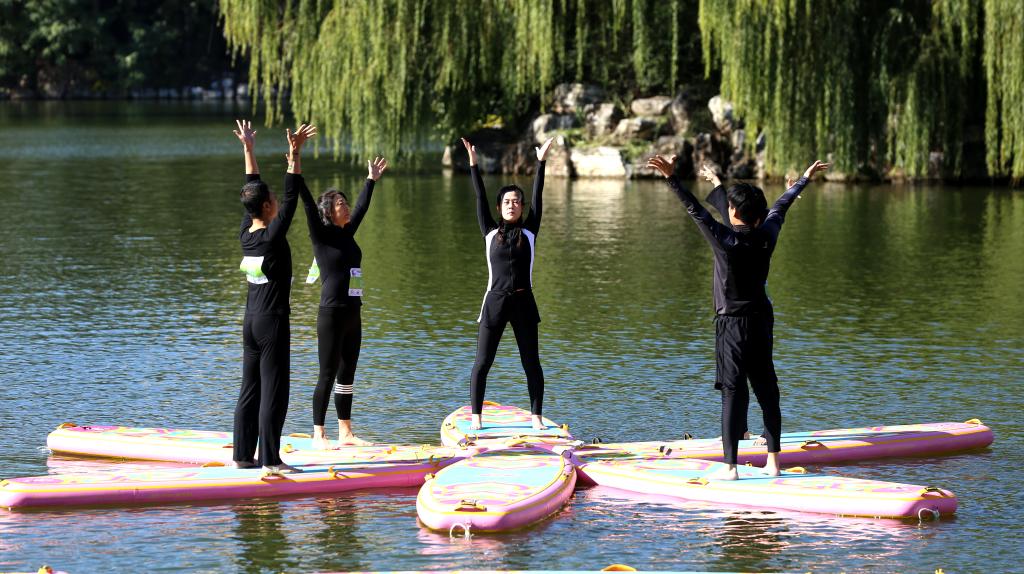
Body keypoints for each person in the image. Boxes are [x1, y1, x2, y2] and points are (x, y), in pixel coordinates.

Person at [646, 154, 829, 480]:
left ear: (733, 213)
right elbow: (781, 207)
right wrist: (803, 180)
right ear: (759, 216)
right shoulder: (767, 234)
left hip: (731, 324)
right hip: (761, 321)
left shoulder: (724, 240)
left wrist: (672, 179)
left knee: (732, 392)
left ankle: (731, 467)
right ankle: (773, 463)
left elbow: (696, 211)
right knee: (767, 390)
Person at [231, 119, 317, 474]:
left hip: (251, 323)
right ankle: (271, 461)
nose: (277, 203)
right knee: (274, 392)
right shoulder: (271, 237)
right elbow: (292, 196)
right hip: (272, 324)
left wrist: (248, 149)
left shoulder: (247, 233)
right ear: (268, 206)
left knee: (250, 389)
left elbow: (252, 187)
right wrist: (294, 156)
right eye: (273, 201)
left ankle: (242, 456)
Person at [462, 136, 554, 431]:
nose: (511, 205)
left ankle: (536, 418)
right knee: (482, 362)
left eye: (516, 201)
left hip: (524, 301)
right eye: (506, 202)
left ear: (522, 207)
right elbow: (479, 196)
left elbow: (539, 196)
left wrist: (541, 163)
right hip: (495, 302)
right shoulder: (490, 232)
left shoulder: (530, 232)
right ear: (499, 206)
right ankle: (476, 418)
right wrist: (473, 165)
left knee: (532, 363)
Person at [298, 156, 388, 449]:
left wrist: (371, 180)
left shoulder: (347, 234)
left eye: (345, 203)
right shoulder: (321, 237)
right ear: (328, 211)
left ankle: (346, 433)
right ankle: (318, 435)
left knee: (347, 374)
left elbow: (361, 208)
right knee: (327, 374)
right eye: (340, 204)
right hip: (332, 314)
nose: (346, 207)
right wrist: (296, 169)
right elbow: (308, 205)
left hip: (353, 312)